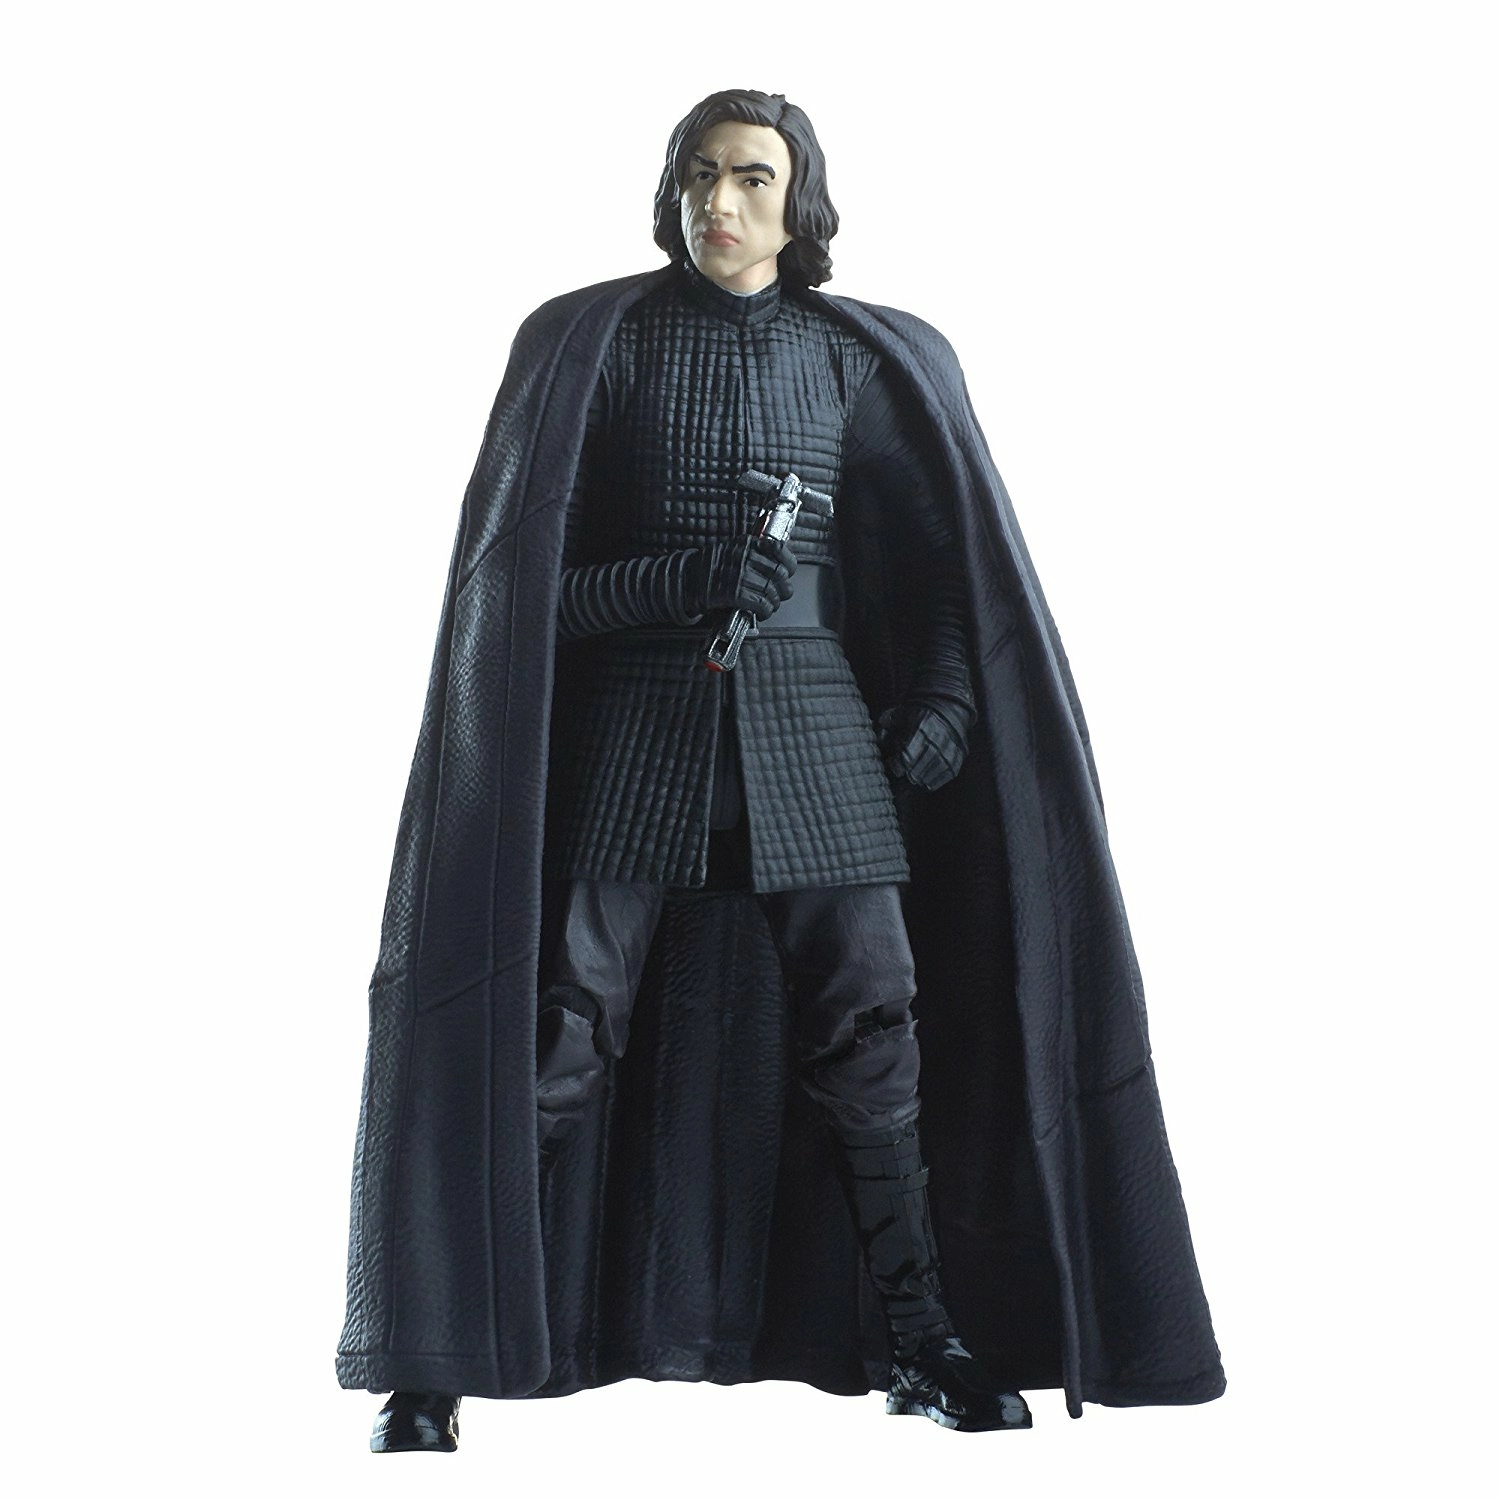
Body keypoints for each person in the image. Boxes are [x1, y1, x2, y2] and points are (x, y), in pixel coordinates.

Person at [340, 89, 1225, 1453]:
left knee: (876, 1043)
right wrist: (681, 578)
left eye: (751, 176)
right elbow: (522, 603)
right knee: (560, 1040)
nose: (721, 203)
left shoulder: (861, 360)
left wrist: (942, 701)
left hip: (820, 748)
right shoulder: (594, 346)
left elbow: (946, 566)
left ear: (797, 196)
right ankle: (450, 1346)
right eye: (699, 175)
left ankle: (923, 1341)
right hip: (640, 743)